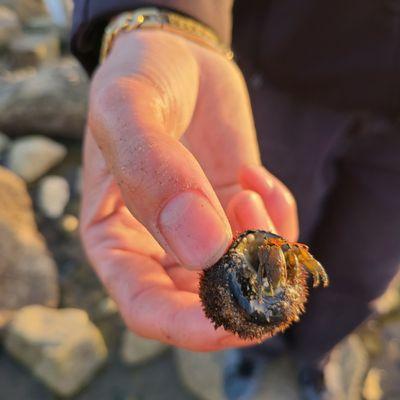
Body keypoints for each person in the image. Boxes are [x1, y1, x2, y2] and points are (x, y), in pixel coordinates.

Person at [71, 1, 400, 399]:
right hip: (292, 64)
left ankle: (315, 353)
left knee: (365, 271)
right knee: (268, 197)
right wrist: (164, 16)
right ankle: (260, 352)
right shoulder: (265, 251)